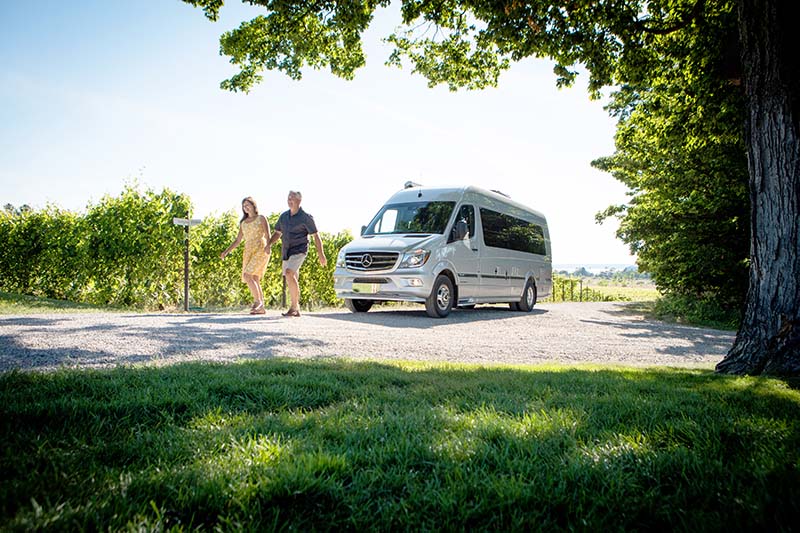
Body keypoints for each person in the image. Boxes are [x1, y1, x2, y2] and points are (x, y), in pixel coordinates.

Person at [267, 190, 327, 317]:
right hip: (286, 251)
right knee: (291, 278)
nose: (289, 200)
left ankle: (294, 307)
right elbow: (277, 233)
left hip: (300, 250)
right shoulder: (283, 216)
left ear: (299, 201)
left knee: (289, 273)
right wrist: (268, 244)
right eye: (288, 198)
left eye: (292, 198)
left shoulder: (306, 217)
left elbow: (316, 236)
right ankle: (295, 308)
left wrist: (321, 254)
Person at [220, 197, 271, 315]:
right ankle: (261, 307)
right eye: (244, 206)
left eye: (248, 205)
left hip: (260, 248)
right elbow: (238, 240)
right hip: (248, 250)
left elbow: (268, 235)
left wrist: (269, 246)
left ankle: (258, 302)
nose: (245, 207)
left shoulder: (261, 218)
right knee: (254, 278)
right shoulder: (243, 223)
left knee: (247, 275)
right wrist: (226, 251)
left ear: (254, 205)